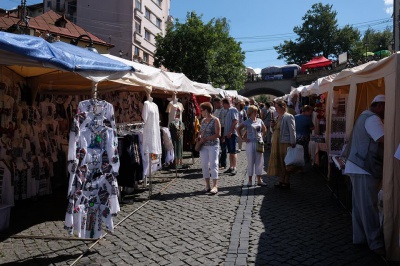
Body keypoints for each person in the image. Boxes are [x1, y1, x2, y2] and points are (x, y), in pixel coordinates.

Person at [344, 94, 385, 256]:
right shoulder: (373, 119)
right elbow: (384, 139)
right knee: (368, 206)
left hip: (357, 165)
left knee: (360, 206)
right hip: (363, 167)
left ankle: (360, 237)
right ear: (380, 106)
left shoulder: (364, 115)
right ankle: (375, 243)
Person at [267, 100, 296, 189]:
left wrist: (293, 141)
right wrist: (271, 126)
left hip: (284, 142)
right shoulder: (277, 117)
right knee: (279, 162)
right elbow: (273, 130)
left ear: (283, 107)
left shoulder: (288, 116)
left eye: (277, 107)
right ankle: (281, 180)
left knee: (285, 162)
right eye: (275, 107)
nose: (276, 109)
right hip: (276, 142)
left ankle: (286, 181)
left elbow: (292, 130)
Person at [237, 105, 267, 187]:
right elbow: (238, 128)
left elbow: (264, 129)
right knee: (251, 161)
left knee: (260, 162)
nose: (256, 113)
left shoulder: (260, 120)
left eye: (257, 111)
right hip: (250, 143)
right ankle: (250, 180)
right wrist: (242, 138)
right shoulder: (247, 121)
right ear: (250, 112)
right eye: (254, 111)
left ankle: (259, 180)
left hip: (259, 143)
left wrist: (261, 136)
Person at [197, 102, 221, 194]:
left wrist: (206, 138)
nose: (201, 112)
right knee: (204, 165)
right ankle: (207, 185)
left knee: (214, 164)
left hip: (213, 145)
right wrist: (199, 136)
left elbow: (218, 134)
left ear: (206, 110)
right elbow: (201, 131)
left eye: (201, 110)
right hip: (204, 146)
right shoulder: (203, 121)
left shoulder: (215, 120)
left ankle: (215, 185)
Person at [222, 98, 239, 175]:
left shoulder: (233, 110)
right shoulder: (227, 110)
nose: (222, 106)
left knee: (233, 151)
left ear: (226, 103)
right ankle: (231, 167)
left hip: (231, 134)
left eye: (223, 104)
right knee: (230, 151)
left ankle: (234, 167)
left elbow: (235, 121)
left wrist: (230, 132)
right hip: (227, 134)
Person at [213, 97, 228, 169]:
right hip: (216, 129)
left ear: (219, 103)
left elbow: (225, 123)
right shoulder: (216, 110)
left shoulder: (224, 110)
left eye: (215, 104)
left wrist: (224, 134)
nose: (215, 105)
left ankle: (223, 163)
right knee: (217, 147)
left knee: (223, 147)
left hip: (222, 129)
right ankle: (217, 163)